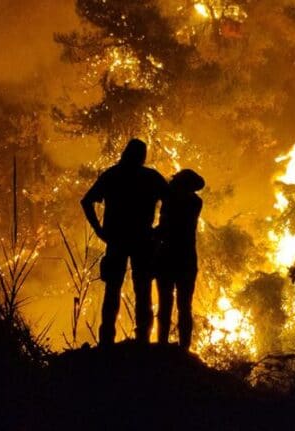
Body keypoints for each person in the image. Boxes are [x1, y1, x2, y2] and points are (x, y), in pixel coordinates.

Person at [81, 139, 167, 346]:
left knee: (113, 289)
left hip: (117, 239)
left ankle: (107, 342)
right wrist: (160, 230)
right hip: (142, 239)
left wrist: (99, 230)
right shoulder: (150, 177)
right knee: (143, 288)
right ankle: (143, 340)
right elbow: (172, 201)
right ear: (142, 156)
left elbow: (87, 201)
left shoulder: (113, 175)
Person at [155, 169, 204, 351]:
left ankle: (162, 343)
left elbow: (166, 227)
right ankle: (183, 347)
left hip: (168, 256)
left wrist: (149, 234)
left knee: (165, 302)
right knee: (184, 305)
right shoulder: (195, 202)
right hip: (186, 258)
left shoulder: (172, 201)